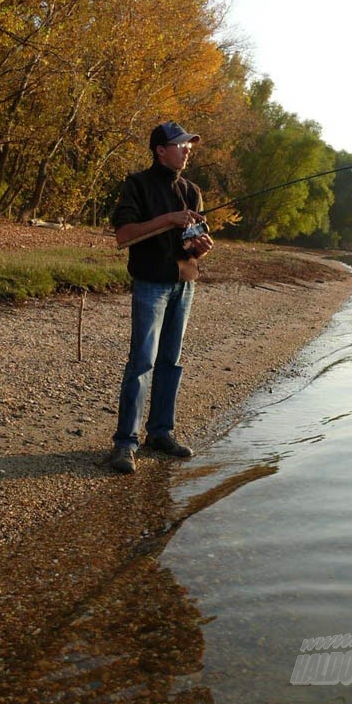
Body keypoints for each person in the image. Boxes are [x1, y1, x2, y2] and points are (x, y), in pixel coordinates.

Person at [109, 121, 214, 474]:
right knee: (142, 362)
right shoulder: (137, 185)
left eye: (190, 145)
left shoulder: (193, 191)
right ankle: (125, 443)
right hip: (151, 284)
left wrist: (202, 249)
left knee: (171, 361)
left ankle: (161, 433)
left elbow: (192, 245)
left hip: (185, 284)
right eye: (181, 144)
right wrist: (168, 218)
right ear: (160, 150)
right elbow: (123, 235)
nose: (187, 149)